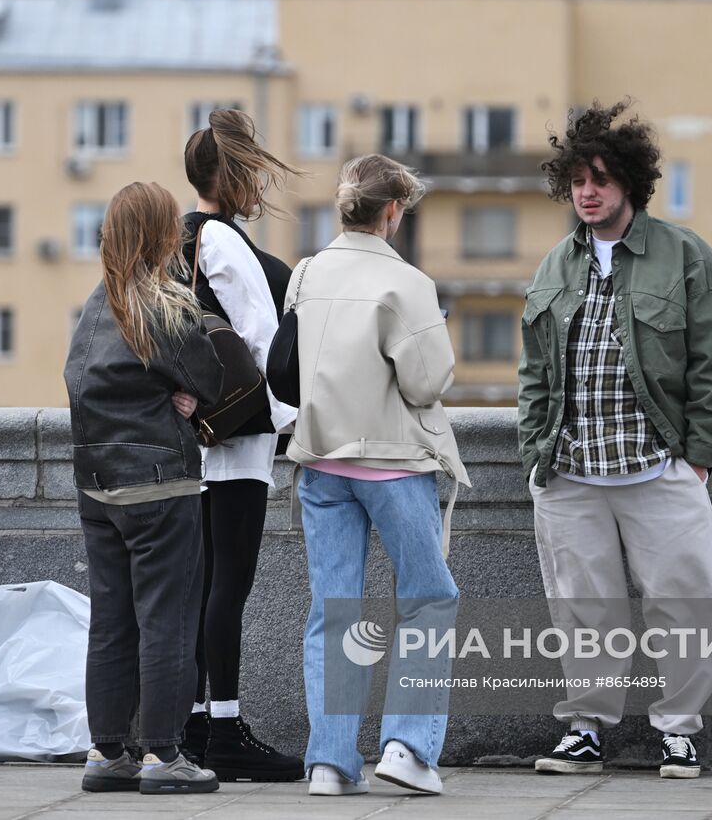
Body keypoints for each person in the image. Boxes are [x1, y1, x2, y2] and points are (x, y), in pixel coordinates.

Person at [518, 101, 712, 779]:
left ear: (629, 183)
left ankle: (679, 731)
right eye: (578, 181)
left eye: (601, 179)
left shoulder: (683, 255)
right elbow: (533, 368)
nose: (589, 192)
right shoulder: (557, 264)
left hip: (657, 468)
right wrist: (537, 452)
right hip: (572, 472)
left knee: (687, 602)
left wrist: (698, 454)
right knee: (582, 608)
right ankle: (585, 728)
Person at [286, 153, 469, 797]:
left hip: (321, 463)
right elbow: (426, 381)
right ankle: (407, 746)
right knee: (427, 599)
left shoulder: (306, 273)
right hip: (391, 463)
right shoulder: (408, 285)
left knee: (335, 610)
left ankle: (331, 763)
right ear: (392, 211)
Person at [64, 181, 225, 795]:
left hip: (98, 486)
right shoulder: (164, 304)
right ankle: (163, 755)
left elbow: (83, 381)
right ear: (165, 236)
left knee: (110, 621)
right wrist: (177, 397)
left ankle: (108, 753)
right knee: (169, 620)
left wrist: (165, 392)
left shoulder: (95, 304)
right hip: (159, 485)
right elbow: (208, 375)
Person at [179, 108, 304, 781]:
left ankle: (198, 723)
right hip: (239, 438)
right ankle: (224, 728)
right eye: (253, 172)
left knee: (205, 586)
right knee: (230, 583)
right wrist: (289, 418)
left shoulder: (184, 235)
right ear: (232, 176)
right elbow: (261, 340)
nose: (259, 185)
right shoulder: (224, 241)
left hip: (196, 439)